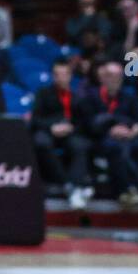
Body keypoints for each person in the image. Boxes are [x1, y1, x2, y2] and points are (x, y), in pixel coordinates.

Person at [81, 60, 138, 206]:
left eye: (118, 76)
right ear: (102, 77)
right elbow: (89, 123)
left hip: (128, 138)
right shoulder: (91, 96)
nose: (115, 79)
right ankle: (128, 189)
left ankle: (134, 190)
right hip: (100, 139)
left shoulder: (129, 97)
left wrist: (133, 130)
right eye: (111, 75)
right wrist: (111, 129)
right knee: (117, 148)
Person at [30, 60, 93, 209]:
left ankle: (75, 184)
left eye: (65, 74)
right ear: (53, 76)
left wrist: (71, 128)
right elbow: (35, 119)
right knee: (41, 143)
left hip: (69, 132)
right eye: (58, 74)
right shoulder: (43, 93)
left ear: (70, 76)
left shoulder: (77, 97)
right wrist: (52, 127)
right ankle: (67, 184)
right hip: (48, 131)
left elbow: (83, 122)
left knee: (80, 145)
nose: (61, 78)